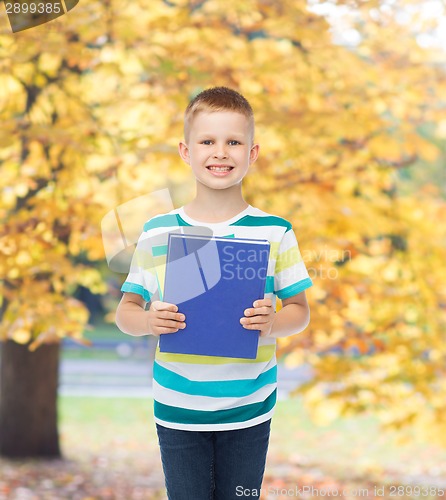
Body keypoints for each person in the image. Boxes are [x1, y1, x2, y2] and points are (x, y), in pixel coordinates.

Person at [115, 86, 313, 499]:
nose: (220, 152)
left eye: (233, 142)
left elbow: (300, 310)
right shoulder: (158, 231)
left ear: (252, 153)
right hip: (178, 408)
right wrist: (149, 320)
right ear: (186, 152)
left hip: (250, 408)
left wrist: (274, 322)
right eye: (207, 141)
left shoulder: (275, 231)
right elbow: (126, 312)